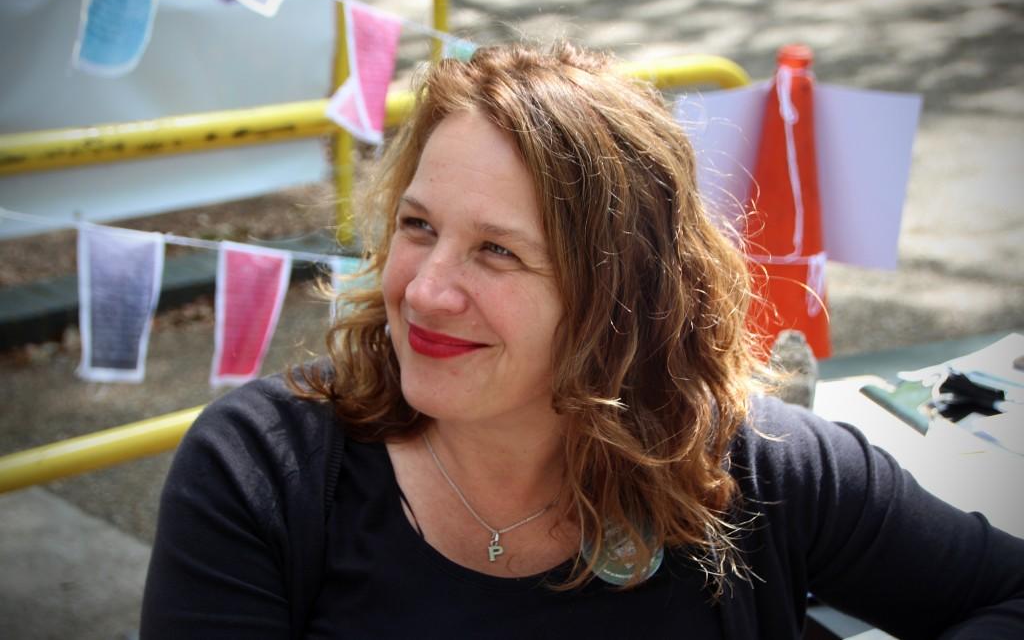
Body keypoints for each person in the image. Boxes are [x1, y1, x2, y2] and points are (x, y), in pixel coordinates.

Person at [140, 42, 1024, 638]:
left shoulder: (759, 468)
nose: (426, 288)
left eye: (497, 251)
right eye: (417, 226)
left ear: (621, 297)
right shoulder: (262, 475)